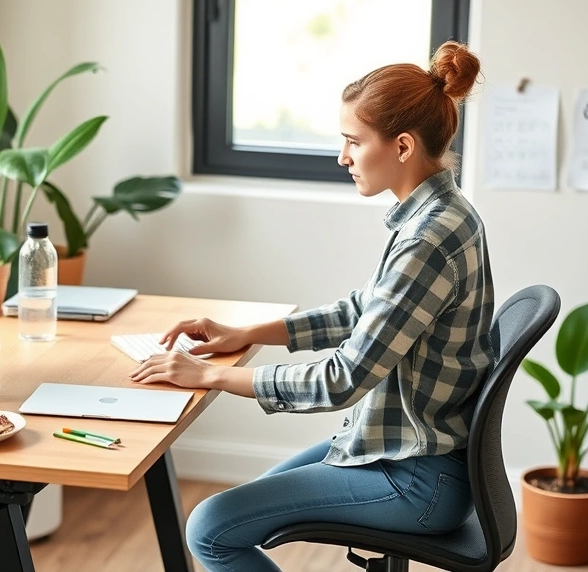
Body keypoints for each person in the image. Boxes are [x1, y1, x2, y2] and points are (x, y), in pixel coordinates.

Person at [129, 41, 493, 572]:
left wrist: (209, 376)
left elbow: (345, 379)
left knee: (210, 529)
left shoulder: (429, 239)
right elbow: (359, 313)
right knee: (232, 515)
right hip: (407, 456)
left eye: (353, 141)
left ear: (403, 146)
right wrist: (245, 333)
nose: (342, 156)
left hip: (417, 478)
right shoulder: (440, 213)